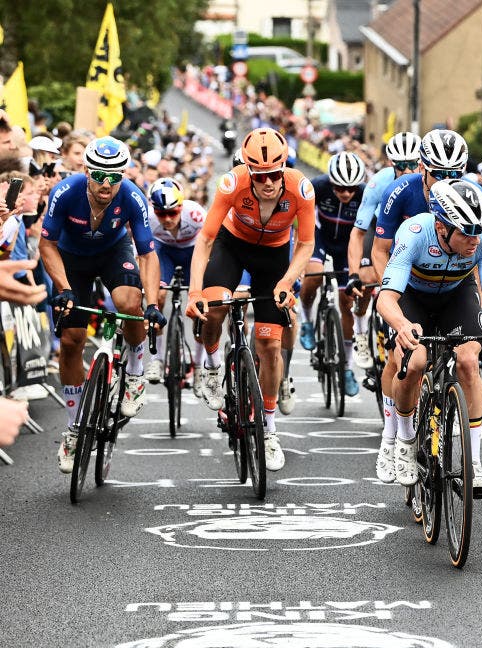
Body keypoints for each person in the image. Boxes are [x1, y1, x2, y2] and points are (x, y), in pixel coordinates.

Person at [186, 128, 315, 472]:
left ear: (284, 168)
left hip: (273, 257)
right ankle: (212, 367)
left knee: (270, 345)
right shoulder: (232, 183)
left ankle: (269, 430)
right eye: (259, 176)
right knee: (213, 309)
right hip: (232, 246)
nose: (268, 183)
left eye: (274, 174)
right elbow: (206, 240)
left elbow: (305, 244)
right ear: (248, 170)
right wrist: (195, 292)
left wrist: (287, 281)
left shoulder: (301, 188)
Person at [376, 180, 482, 494]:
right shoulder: (414, 234)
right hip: (413, 298)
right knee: (414, 363)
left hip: (456, 295)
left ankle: (473, 461)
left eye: (478, 231)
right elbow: (386, 298)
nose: (474, 240)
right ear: (441, 226)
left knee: (468, 360)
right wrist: (402, 325)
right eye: (466, 233)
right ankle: (404, 440)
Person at [39, 136, 165, 473]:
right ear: (86, 171)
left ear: (123, 174)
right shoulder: (65, 192)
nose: (106, 184)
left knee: (129, 303)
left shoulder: (133, 197)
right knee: (72, 340)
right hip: (71, 259)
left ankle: (135, 373)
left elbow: (147, 254)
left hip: (113, 253)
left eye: (114, 176)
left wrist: (153, 303)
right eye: (98, 175)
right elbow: (46, 245)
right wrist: (64, 288)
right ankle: (74, 429)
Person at [370, 129, 470, 478]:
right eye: (439, 173)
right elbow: (380, 249)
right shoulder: (401, 191)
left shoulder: (468, 196)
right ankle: (391, 436)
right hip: (406, 277)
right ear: (422, 168)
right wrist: (390, 292)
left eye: (454, 173)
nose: (446, 180)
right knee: (402, 360)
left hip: (449, 282)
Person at [348, 132, 422, 370]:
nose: (408, 170)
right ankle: (360, 328)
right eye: (401, 166)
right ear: (392, 164)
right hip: (381, 228)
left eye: (413, 164)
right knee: (367, 278)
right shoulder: (379, 183)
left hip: (412, 233)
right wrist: (353, 273)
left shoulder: (427, 181)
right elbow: (358, 233)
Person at [298, 151, 367, 398]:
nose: (346, 194)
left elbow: (371, 232)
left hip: (347, 246)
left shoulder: (365, 194)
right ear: (330, 182)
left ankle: (347, 368)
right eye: (339, 188)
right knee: (314, 276)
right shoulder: (318, 186)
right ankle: (307, 321)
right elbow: (299, 217)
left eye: (351, 189)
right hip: (320, 238)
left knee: (347, 302)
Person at [144, 178, 207, 383]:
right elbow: (143, 254)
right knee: (158, 297)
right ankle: (157, 359)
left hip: (193, 253)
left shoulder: (196, 214)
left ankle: (200, 364)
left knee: (199, 308)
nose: (167, 219)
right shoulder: (148, 217)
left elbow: (211, 243)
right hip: (164, 252)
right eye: (161, 214)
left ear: (181, 207)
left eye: (173, 213)